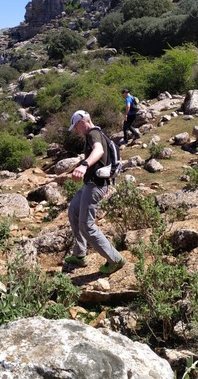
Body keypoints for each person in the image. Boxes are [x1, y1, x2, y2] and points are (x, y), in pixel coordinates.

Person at [64, 110, 125, 274]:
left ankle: (115, 259)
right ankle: (79, 254)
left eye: (76, 127)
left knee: (86, 225)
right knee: (74, 211)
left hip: (94, 185)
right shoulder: (95, 134)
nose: (76, 131)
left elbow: (99, 151)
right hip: (91, 184)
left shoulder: (93, 133)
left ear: (82, 122)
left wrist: (84, 165)